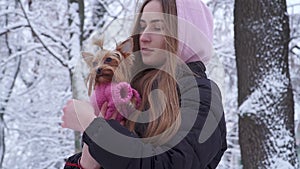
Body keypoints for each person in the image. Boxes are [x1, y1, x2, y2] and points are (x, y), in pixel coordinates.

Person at [62, 0, 227, 168]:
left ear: (186, 35)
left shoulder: (202, 94)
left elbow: (172, 163)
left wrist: (93, 127)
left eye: (157, 27)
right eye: (142, 27)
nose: (144, 37)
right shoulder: (130, 91)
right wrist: (86, 162)